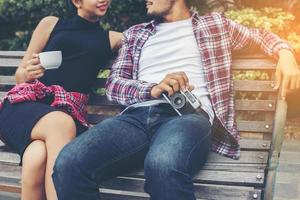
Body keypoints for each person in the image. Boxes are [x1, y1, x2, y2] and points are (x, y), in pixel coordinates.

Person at [52, 0, 300, 199]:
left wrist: (287, 55)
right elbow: (114, 85)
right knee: (68, 163)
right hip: (135, 118)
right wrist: (152, 89)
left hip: (187, 118)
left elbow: (265, 37)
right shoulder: (136, 34)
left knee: (163, 165)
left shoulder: (215, 25)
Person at [0, 0, 122, 199]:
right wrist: (28, 73)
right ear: (76, 1)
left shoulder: (113, 38)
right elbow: (20, 75)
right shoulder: (50, 24)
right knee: (60, 123)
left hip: (69, 113)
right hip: (26, 106)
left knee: (36, 156)